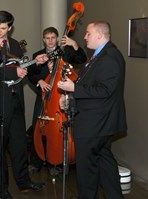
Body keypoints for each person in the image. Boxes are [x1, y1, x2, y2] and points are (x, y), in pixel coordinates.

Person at [0, 10, 48, 199]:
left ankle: (24, 182)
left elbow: (21, 67)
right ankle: (2, 189)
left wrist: (37, 63)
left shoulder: (16, 44)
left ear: (10, 27)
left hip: (16, 100)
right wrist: (13, 73)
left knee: (19, 145)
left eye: (3, 28)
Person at [58, 20, 127, 199]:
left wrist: (74, 89)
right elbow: (90, 84)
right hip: (98, 124)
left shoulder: (110, 57)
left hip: (95, 125)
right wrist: (71, 95)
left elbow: (105, 90)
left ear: (99, 35)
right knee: (106, 166)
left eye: (88, 33)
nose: (84, 37)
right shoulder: (100, 54)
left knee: (87, 174)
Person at [27, 27, 87, 171]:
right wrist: (39, 81)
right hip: (44, 97)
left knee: (59, 131)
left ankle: (57, 162)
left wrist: (74, 44)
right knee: (38, 126)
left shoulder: (65, 53)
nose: (50, 41)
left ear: (57, 38)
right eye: (47, 38)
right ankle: (36, 161)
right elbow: (31, 73)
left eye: (53, 38)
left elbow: (82, 59)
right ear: (43, 39)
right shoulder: (38, 55)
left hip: (60, 99)